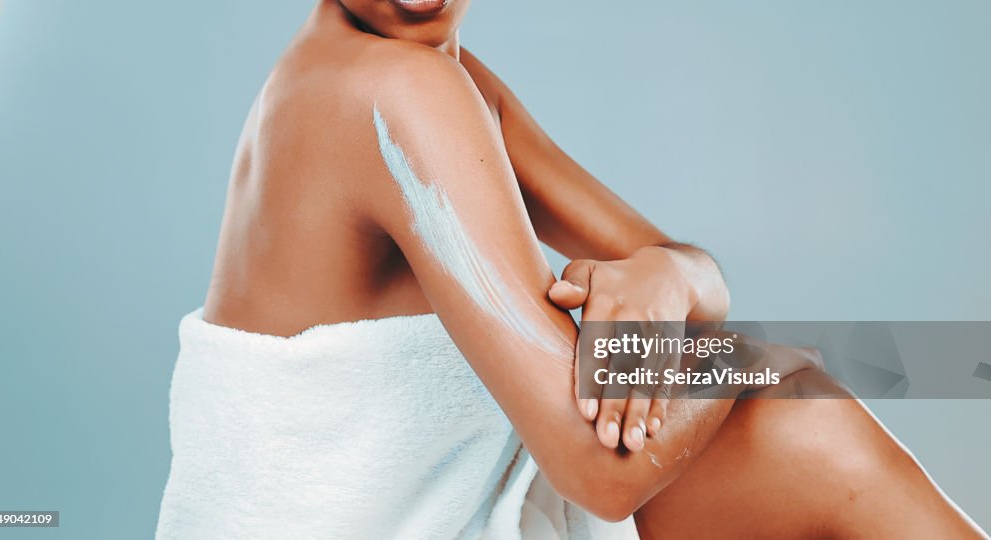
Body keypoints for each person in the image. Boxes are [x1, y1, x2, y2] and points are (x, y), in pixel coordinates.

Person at [158, 0, 985, 537]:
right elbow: (598, 471)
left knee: (791, 426)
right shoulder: (387, 89)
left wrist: (664, 280)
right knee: (799, 412)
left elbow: (698, 277)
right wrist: (766, 357)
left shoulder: (446, 83)